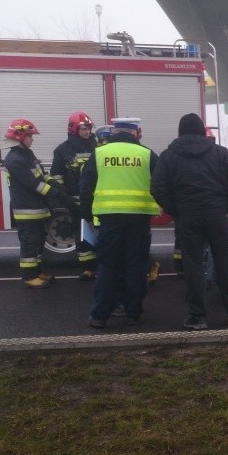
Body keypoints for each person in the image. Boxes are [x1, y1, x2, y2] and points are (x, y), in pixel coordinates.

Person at [151, 113, 228, 330]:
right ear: (203, 131)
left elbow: (157, 188)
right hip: (216, 215)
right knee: (224, 264)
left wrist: (177, 211)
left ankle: (198, 317)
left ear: (180, 132)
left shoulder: (168, 155)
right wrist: (226, 208)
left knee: (193, 267)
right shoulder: (220, 153)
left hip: (187, 216)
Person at [79, 117, 160, 328]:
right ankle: (134, 313)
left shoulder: (99, 154)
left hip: (109, 218)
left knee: (108, 266)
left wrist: (88, 217)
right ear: (135, 132)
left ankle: (100, 315)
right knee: (136, 265)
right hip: (139, 218)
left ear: (115, 132)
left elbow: (86, 188)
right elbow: (161, 184)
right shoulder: (147, 154)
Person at [1, 119, 78, 289]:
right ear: (19, 136)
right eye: (29, 136)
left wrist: (59, 186)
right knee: (29, 243)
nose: (32, 139)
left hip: (37, 208)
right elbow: (35, 185)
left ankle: (37, 272)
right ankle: (29, 276)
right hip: (27, 210)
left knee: (38, 242)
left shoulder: (27, 154)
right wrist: (59, 195)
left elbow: (43, 176)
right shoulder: (14, 159)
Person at [51, 112, 98, 281]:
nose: (87, 131)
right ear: (73, 129)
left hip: (98, 200)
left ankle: (104, 265)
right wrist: (65, 197)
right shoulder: (63, 150)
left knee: (101, 233)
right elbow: (56, 176)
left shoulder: (97, 146)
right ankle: (88, 268)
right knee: (82, 235)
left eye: (89, 128)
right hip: (75, 200)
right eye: (83, 128)